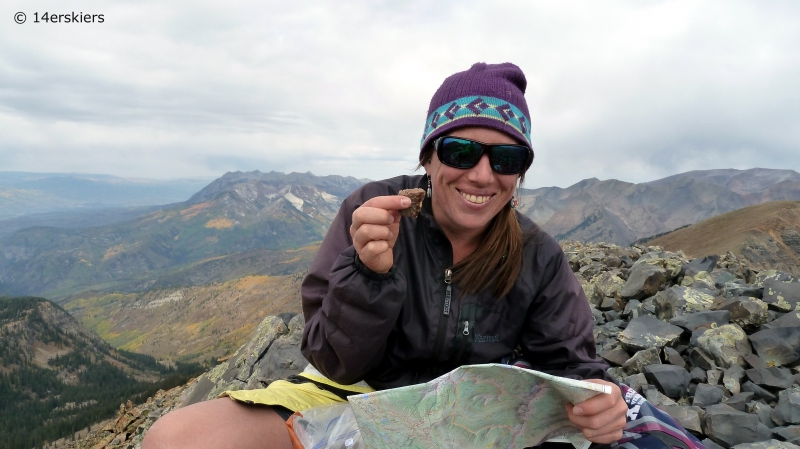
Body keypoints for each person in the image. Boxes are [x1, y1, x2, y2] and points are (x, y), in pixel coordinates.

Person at [143, 63, 701, 449]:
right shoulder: (373, 213)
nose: (482, 175)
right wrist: (368, 274)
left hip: (479, 416)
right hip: (358, 396)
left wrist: (598, 400)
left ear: (520, 172)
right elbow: (334, 363)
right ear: (430, 156)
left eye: (506, 160)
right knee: (175, 439)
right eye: (461, 150)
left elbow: (573, 371)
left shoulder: (537, 254)